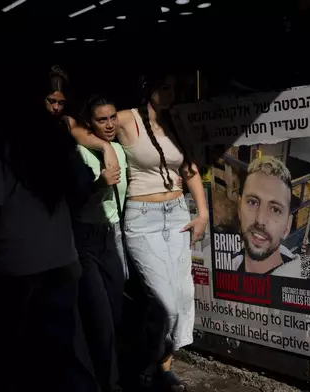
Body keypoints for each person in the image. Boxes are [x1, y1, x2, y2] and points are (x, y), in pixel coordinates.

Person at [72, 72, 208, 391]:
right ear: (148, 90)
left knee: (184, 299)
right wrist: (105, 148)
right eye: (164, 87)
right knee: (163, 302)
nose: (171, 93)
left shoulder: (175, 121)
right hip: (142, 217)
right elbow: (73, 125)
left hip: (177, 214)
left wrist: (201, 212)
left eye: (174, 87)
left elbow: (189, 168)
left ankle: (161, 366)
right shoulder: (124, 118)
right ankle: (144, 363)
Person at [0, 65, 98, 391]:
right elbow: (78, 188)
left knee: (19, 361)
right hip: (61, 258)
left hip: (13, 265)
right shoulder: (54, 131)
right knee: (65, 356)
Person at [72, 95, 127, 392]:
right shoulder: (78, 152)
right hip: (85, 239)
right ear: (89, 124)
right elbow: (73, 202)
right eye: (101, 119)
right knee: (100, 317)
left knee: (115, 313)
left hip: (113, 235)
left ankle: (106, 372)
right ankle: (109, 383)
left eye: (112, 117)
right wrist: (98, 185)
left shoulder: (119, 148)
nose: (109, 124)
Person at [233, 156, 310, 279]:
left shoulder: (309, 272)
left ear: (287, 226)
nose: (260, 219)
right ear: (239, 209)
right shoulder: (227, 261)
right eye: (253, 202)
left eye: (275, 210)